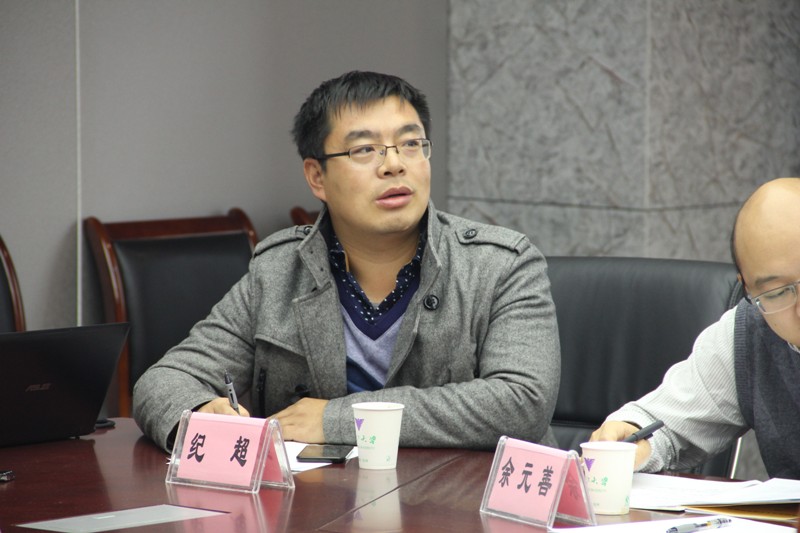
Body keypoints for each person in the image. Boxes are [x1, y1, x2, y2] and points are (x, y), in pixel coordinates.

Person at [133, 71, 560, 451]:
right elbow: (164, 381)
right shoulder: (278, 271)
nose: (394, 164)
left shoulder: (501, 264)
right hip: (321, 503)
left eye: (411, 144)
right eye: (365, 150)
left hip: (461, 501)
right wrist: (201, 412)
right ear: (317, 177)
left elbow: (523, 401)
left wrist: (337, 419)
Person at [590, 177, 800, 479]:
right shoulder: (750, 331)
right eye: (778, 293)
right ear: (747, 289)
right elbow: (663, 424)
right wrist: (631, 437)